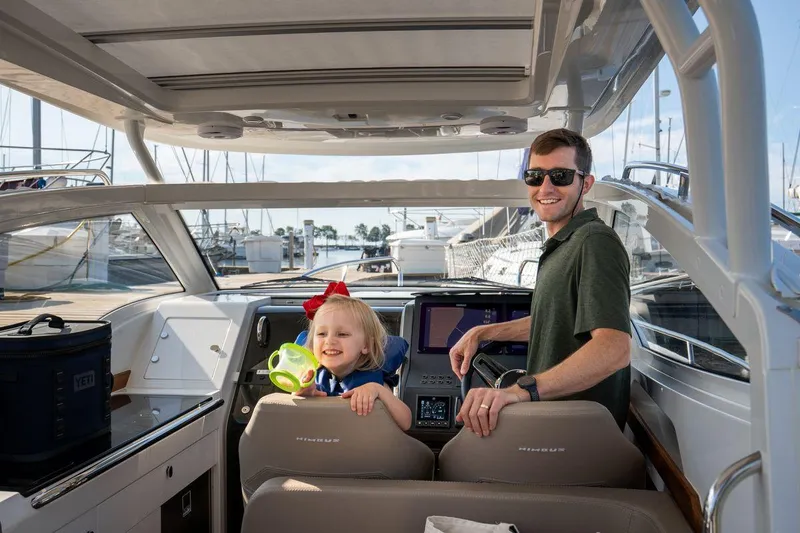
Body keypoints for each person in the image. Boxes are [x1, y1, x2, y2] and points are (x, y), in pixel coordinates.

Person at [450, 128, 632, 436]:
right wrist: (484, 332)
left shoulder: (594, 241)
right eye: (535, 176)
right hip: (552, 425)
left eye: (560, 176)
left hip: (575, 438)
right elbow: (559, 321)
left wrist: (521, 392)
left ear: (585, 183)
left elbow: (615, 348)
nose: (545, 187)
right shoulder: (565, 243)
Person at [294, 282, 412, 431]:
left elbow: (406, 422)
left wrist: (378, 389)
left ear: (366, 345)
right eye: (321, 334)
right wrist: (302, 396)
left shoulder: (374, 383)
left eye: (342, 334)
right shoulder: (311, 379)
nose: (329, 340)